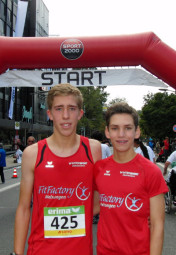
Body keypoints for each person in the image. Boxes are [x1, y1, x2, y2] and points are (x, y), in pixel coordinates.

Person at [12, 83, 101, 255]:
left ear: (80, 114)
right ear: (50, 114)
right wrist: (16, 253)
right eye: (59, 109)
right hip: (41, 249)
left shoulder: (93, 149)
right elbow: (23, 209)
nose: (66, 116)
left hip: (81, 250)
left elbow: (100, 201)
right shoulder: (33, 153)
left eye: (72, 108)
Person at [93, 102, 168, 255]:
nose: (121, 134)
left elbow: (157, 225)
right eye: (115, 128)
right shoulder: (99, 169)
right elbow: (92, 207)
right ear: (107, 132)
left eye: (127, 128)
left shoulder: (151, 171)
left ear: (137, 132)